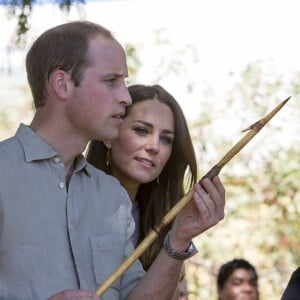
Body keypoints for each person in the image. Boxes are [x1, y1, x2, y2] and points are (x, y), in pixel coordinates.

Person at [0, 21, 225, 300]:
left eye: (125, 82)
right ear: (63, 84)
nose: (125, 96)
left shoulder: (111, 196)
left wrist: (179, 237)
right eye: (111, 81)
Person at [86, 84, 197, 298]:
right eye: (141, 130)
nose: (154, 146)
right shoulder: (72, 199)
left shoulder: (164, 223)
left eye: (166, 139)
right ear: (109, 135)